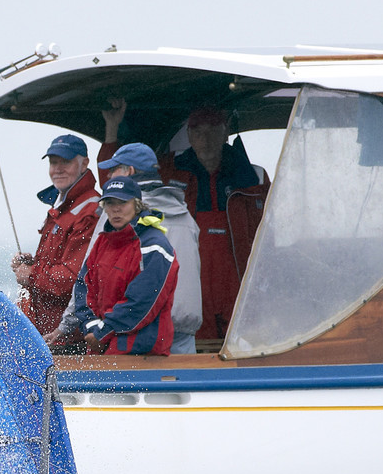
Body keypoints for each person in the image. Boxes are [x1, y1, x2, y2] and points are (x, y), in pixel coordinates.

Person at [100, 100, 265, 341]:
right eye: (197, 131)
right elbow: (115, 180)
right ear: (188, 134)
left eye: (212, 128)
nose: (205, 138)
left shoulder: (255, 176)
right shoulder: (169, 170)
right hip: (191, 280)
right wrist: (112, 129)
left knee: (243, 346)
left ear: (225, 131)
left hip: (240, 283)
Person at [47, 142, 203, 354]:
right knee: (181, 388)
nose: (109, 176)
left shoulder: (118, 216)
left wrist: (65, 327)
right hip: (185, 330)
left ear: (128, 172)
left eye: (113, 170)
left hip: (137, 332)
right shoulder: (185, 214)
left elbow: (90, 276)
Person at [69, 175, 180, 356]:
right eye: (110, 203)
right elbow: (84, 287)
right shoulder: (102, 243)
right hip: (103, 350)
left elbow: (141, 303)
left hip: (142, 355)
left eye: (123, 202)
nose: (116, 209)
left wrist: (102, 332)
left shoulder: (154, 246)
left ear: (137, 204)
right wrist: (90, 325)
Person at [13, 134, 100, 336]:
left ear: (84, 163)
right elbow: (60, 262)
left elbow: (73, 277)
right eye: (54, 162)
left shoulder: (89, 210)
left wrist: (31, 273)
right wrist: (32, 262)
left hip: (72, 335)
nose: (58, 169)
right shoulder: (64, 204)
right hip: (51, 331)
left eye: (66, 162)